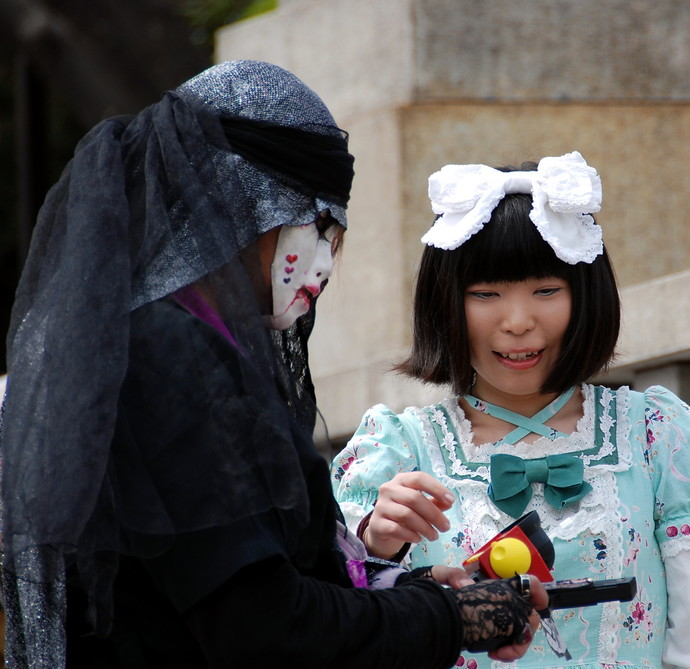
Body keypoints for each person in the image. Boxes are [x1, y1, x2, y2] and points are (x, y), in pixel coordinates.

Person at [0, 60, 547, 669]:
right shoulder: (172, 357)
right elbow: (264, 630)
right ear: (245, 203)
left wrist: (413, 596)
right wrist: (455, 618)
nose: (324, 264)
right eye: (317, 225)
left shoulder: (161, 342)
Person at [332, 152, 690, 668]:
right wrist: (376, 548)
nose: (518, 321)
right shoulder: (397, 453)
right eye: (485, 293)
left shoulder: (655, 438)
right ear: (444, 303)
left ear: (586, 296)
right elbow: (333, 635)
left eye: (546, 290)